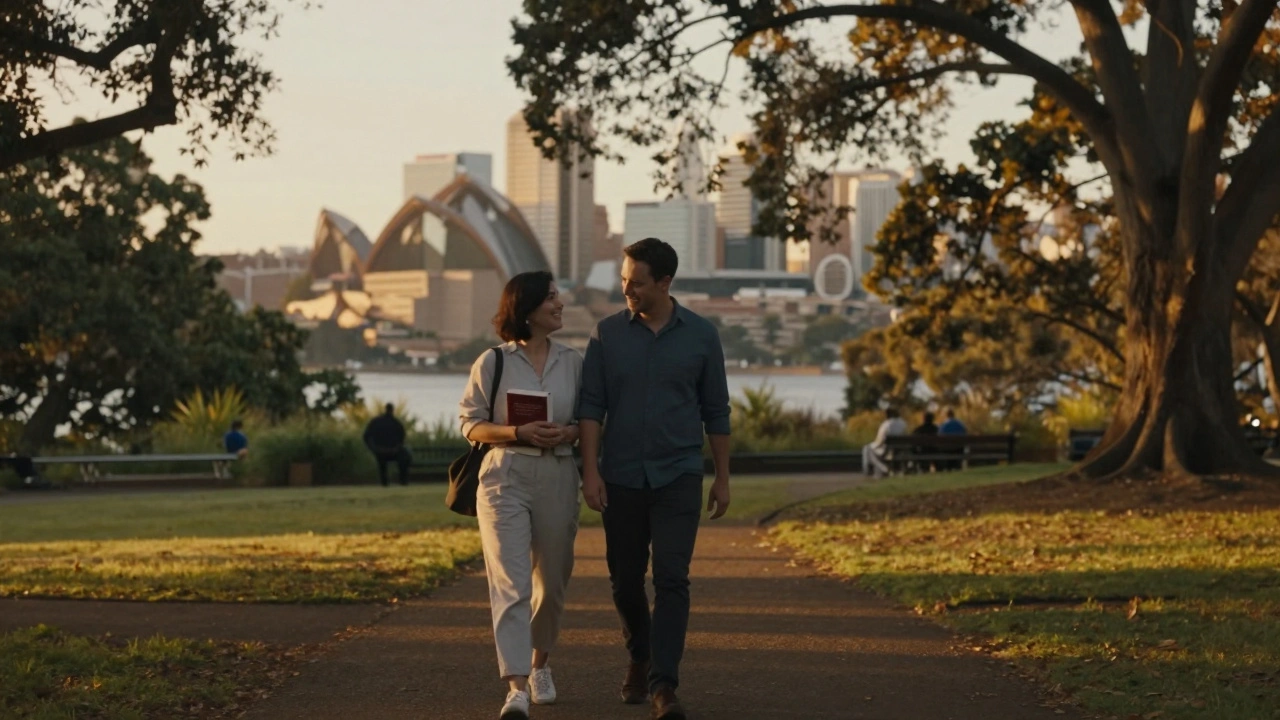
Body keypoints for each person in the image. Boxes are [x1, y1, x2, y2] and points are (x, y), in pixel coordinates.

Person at [577, 237, 732, 720]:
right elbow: (590, 409)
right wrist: (590, 473)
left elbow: (717, 412)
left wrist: (722, 478)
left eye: (636, 283)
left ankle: (665, 686)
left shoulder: (702, 336)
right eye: (623, 281)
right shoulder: (606, 335)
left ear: (664, 283)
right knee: (625, 582)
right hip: (620, 477)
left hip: (679, 475)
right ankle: (639, 656)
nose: (627, 290)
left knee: (672, 579)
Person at [458, 270, 582, 720]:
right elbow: (470, 423)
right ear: (527, 308)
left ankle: (539, 665)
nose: (560, 304)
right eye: (551, 297)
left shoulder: (574, 361)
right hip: (503, 475)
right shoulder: (492, 362)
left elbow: (590, 424)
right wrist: (517, 430)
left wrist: (567, 431)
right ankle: (515, 687)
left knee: (550, 583)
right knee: (511, 583)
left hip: (558, 473)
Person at [362, 404, 410, 487]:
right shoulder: (396, 423)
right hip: (393, 451)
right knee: (405, 457)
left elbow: (366, 436)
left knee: (382, 465)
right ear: (392, 410)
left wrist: (373, 448)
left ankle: (384, 483)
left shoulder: (376, 422)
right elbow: (402, 437)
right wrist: (397, 447)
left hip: (380, 451)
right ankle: (403, 481)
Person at [862, 408, 907, 478]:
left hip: (886, 450)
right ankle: (883, 469)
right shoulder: (903, 423)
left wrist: (873, 446)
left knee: (866, 449)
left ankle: (873, 471)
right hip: (899, 449)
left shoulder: (886, 424)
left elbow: (879, 441)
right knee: (869, 451)